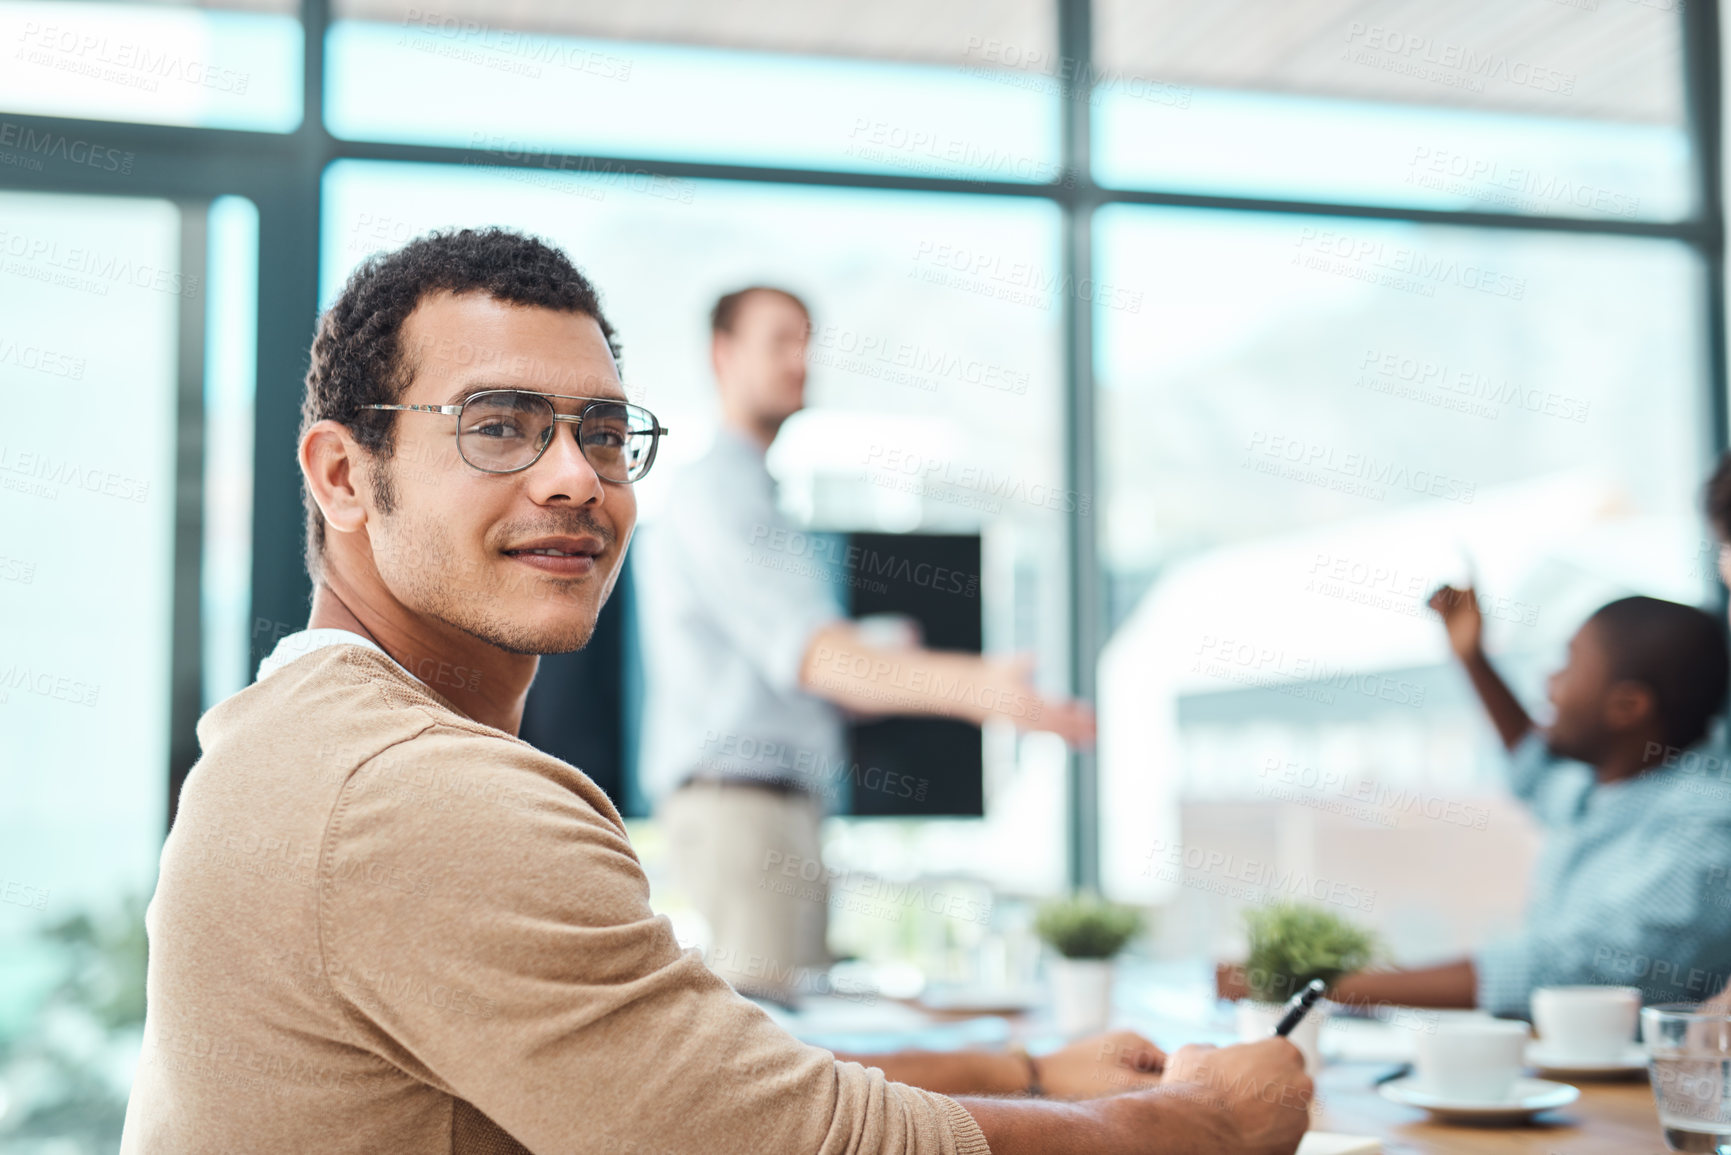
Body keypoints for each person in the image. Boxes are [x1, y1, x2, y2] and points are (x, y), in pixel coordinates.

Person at [119, 229, 1311, 1154]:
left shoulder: (297, 732)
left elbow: (687, 1073)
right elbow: (790, 1139)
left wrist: (1033, 1076)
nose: (575, 479)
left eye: (600, 430)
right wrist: (1196, 1127)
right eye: (500, 428)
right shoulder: (420, 797)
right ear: (342, 474)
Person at [635, 286, 1094, 997]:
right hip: (743, 810)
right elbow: (819, 660)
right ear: (721, 354)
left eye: (808, 341)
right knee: (771, 1056)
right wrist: (979, 688)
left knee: (793, 1043)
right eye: (780, 340)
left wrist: (875, 652)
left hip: (771, 808)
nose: (802, 360)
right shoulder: (719, 493)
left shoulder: (758, 495)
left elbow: (809, 661)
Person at [1224, 585, 1731, 1015]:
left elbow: (1566, 971)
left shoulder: (1706, 828)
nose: (1549, 683)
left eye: (1569, 665)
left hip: (1646, 1108)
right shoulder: (1616, 785)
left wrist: (1312, 987)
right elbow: (1533, 769)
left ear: (1628, 707)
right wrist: (1473, 657)